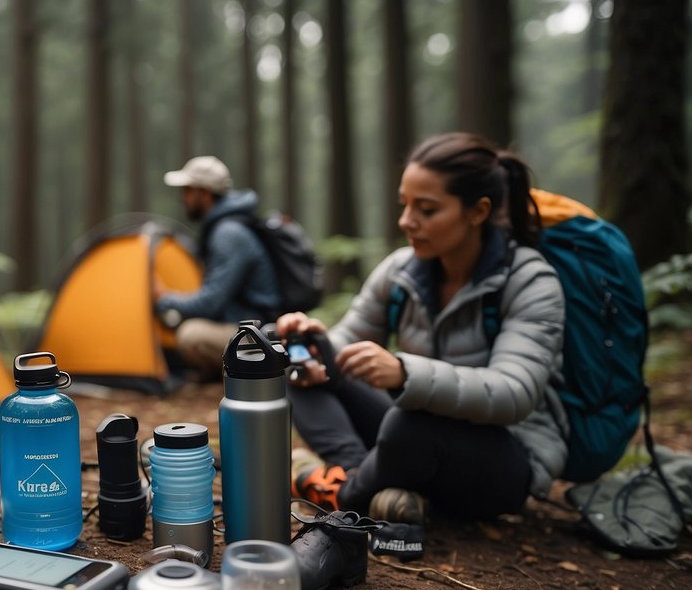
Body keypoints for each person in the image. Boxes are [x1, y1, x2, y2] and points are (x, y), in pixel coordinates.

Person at [279, 133, 567, 524]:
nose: (406, 221)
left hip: (505, 459)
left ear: (478, 211)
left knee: (408, 423)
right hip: (413, 432)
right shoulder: (401, 270)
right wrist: (315, 344)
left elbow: (515, 393)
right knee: (283, 360)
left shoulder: (530, 281)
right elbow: (348, 343)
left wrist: (404, 373)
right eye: (405, 205)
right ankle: (370, 481)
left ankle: (346, 494)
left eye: (426, 210)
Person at [155, 156, 281, 375]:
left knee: (190, 335)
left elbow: (210, 302)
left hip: (257, 333)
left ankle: (237, 373)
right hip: (242, 324)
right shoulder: (223, 227)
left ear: (204, 193)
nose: (182, 198)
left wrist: (164, 298)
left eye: (187, 190)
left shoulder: (228, 234)